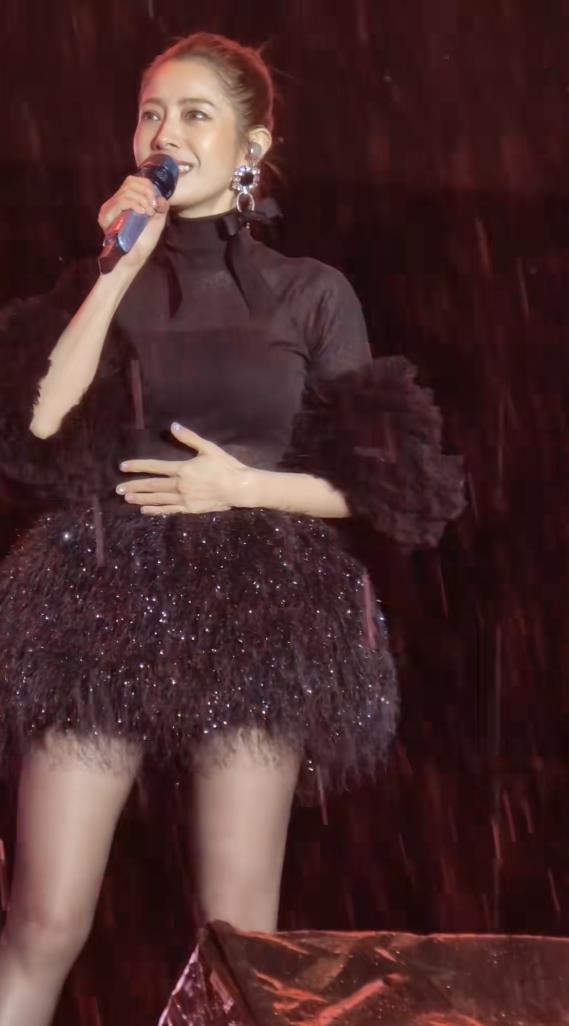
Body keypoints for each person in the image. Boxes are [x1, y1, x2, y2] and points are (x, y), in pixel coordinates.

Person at [0, 32, 464, 1026]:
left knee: (240, 940)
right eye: (150, 113)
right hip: (100, 593)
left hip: (257, 604)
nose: (164, 133)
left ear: (252, 143)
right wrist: (114, 267)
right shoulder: (105, 275)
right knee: (42, 921)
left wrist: (243, 486)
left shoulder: (308, 292)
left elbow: (386, 488)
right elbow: (38, 424)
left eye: (194, 114)